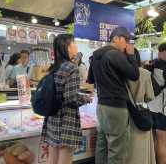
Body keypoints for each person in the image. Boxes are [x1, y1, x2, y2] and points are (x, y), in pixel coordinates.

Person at [41, 34, 92, 164]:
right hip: (66, 121)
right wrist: (86, 98)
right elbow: (71, 98)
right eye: (74, 43)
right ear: (67, 47)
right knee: (65, 159)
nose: (76, 45)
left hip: (53, 118)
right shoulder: (71, 68)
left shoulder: (55, 67)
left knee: (52, 159)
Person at [92, 27, 140, 164]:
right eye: (126, 40)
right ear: (116, 38)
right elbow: (134, 75)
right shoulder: (115, 54)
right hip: (116, 108)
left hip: (101, 105)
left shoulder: (96, 55)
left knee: (102, 146)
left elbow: (91, 79)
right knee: (117, 150)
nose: (127, 45)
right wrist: (131, 55)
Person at [126, 48, 156, 164]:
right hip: (141, 114)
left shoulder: (120, 73)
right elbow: (150, 96)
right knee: (142, 151)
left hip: (125, 114)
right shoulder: (145, 73)